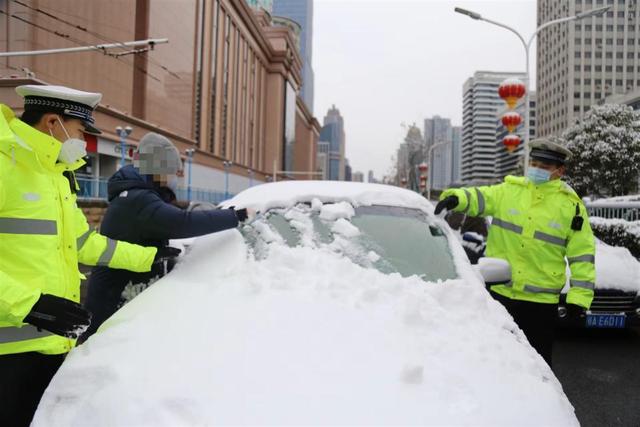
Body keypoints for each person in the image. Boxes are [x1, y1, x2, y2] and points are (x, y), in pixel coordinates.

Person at [0, 85, 161, 425]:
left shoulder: (56, 177)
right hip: (7, 353)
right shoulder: (4, 165)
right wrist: (29, 305)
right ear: (52, 122)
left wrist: (149, 258)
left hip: (53, 344)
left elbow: (85, 243)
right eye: (80, 131)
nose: (84, 142)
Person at [435, 138, 596, 367]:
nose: (537, 169)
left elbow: (583, 256)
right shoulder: (509, 191)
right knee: (493, 361)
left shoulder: (572, 207)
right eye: (535, 163)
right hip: (499, 295)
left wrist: (579, 299)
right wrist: (456, 198)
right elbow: (480, 197)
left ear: (560, 171)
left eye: (545, 166)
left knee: (536, 369)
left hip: (539, 305)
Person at [81, 133, 252, 341]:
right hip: (111, 305)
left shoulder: (133, 195)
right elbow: (182, 222)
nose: (175, 178)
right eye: (172, 171)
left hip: (115, 297)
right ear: (157, 169)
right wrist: (233, 216)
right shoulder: (138, 200)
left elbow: (167, 214)